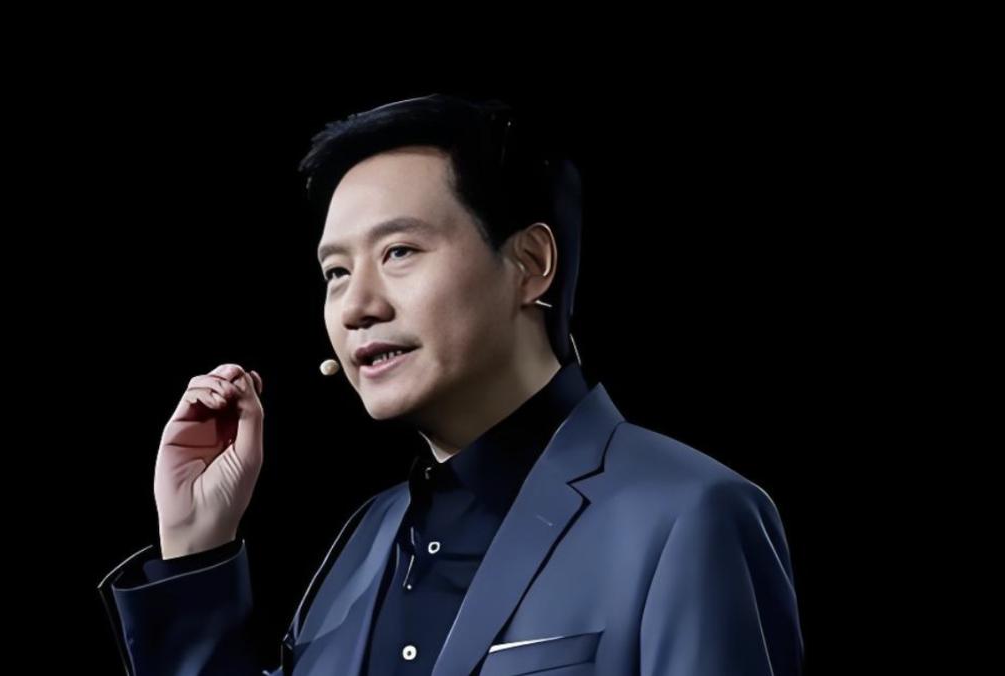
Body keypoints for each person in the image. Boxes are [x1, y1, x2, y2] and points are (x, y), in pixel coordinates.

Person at [98, 93, 804, 675]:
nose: (356, 306)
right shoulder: (364, 539)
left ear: (530, 263)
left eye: (399, 251)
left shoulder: (692, 515)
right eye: (336, 272)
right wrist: (196, 543)